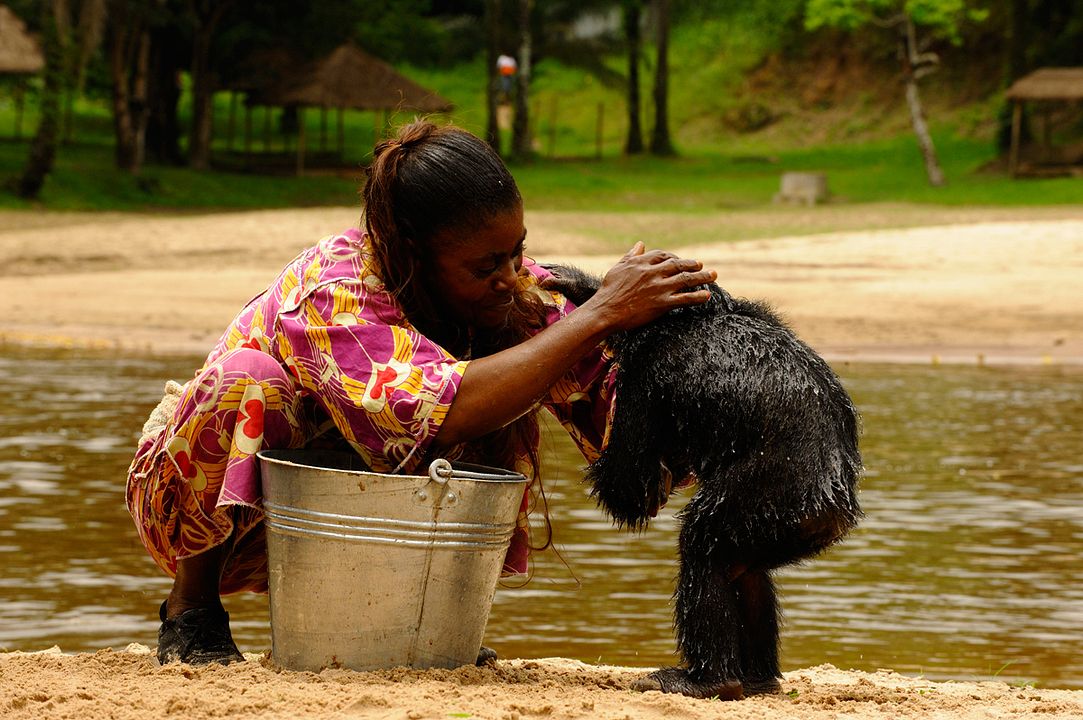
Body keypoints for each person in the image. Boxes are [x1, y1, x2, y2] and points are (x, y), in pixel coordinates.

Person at [125, 119, 716, 667]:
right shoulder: (334, 290)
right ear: (411, 253)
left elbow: (611, 401)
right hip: (210, 517)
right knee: (248, 378)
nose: (510, 276)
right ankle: (192, 612)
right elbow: (430, 414)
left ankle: (429, 621)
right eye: (487, 264)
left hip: (328, 522)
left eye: (517, 252)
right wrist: (598, 316)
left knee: (517, 356)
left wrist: (676, 369)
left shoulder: (510, 290)